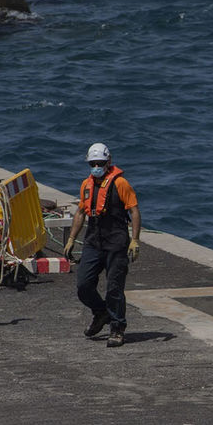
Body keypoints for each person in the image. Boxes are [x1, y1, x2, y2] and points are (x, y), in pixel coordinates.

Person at [63, 142, 141, 348]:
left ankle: (117, 328)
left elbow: (134, 210)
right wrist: (72, 238)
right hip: (93, 240)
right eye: (93, 163)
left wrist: (135, 239)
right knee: (83, 284)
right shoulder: (86, 185)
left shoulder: (121, 183)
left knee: (114, 287)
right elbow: (80, 212)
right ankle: (101, 312)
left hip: (116, 240)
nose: (96, 167)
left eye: (100, 163)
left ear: (108, 162)